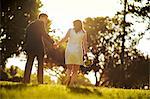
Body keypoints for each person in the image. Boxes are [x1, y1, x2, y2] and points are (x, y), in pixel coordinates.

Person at [54, 20, 88, 86]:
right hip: (78, 51)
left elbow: (64, 39)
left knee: (69, 68)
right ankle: (71, 84)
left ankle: (67, 81)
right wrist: (85, 53)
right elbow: (84, 44)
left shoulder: (70, 30)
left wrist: (57, 44)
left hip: (69, 50)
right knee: (75, 70)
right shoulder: (84, 33)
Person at [23, 13, 52, 84]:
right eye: (46, 19)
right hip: (38, 47)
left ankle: (26, 80)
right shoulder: (41, 23)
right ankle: (40, 81)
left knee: (29, 64)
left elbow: (26, 36)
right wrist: (52, 42)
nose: (46, 21)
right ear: (42, 18)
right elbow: (44, 34)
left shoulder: (30, 25)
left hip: (30, 47)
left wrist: (26, 46)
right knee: (40, 65)